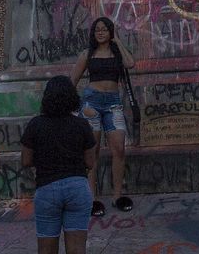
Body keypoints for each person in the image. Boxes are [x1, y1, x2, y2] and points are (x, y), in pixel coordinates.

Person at [21, 75, 97, 254]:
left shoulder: (36, 124)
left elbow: (25, 160)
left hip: (47, 187)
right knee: (77, 249)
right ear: (72, 98)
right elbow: (90, 162)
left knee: (46, 249)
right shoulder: (82, 125)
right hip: (77, 187)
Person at [69, 16, 134, 215]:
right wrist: (76, 108)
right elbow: (71, 82)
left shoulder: (117, 54)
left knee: (119, 149)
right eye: (97, 29)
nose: (100, 32)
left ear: (110, 32)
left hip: (113, 104)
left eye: (105, 29)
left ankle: (117, 195)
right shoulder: (87, 54)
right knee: (92, 152)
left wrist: (119, 42)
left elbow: (130, 63)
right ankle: (92, 199)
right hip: (92, 104)